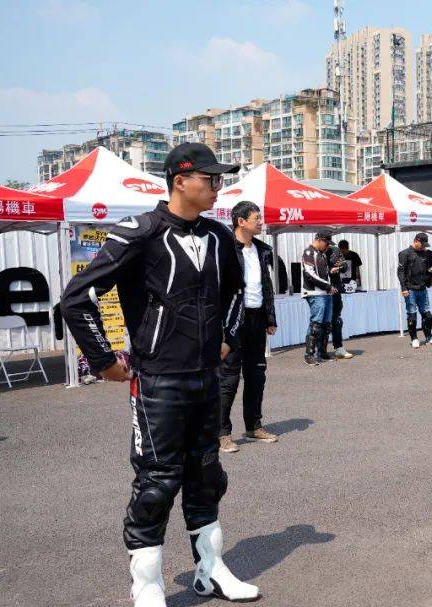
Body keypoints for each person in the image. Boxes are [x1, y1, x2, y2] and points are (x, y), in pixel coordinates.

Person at [60, 142, 259, 605]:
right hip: (157, 382)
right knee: (156, 483)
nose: (218, 187)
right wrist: (103, 360)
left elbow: (237, 292)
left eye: (220, 179)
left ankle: (211, 570)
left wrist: (227, 337)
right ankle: (147, 586)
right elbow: (77, 297)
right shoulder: (140, 232)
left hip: (206, 377)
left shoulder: (218, 236)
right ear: (180, 181)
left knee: (207, 475)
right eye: (210, 179)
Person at [218, 201, 279, 453]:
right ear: (241, 221)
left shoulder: (262, 250)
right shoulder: (224, 248)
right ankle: (222, 433)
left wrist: (270, 318)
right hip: (233, 322)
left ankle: (254, 426)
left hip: (256, 319)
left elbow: (267, 286)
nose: (261, 222)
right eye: (256, 218)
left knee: (256, 375)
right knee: (229, 378)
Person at [397, 232, 432, 348]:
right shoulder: (405, 253)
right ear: (416, 241)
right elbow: (400, 272)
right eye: (422, 245)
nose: (424, 247)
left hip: (423, 288)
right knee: (412, 315)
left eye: (425, 245)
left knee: (427, 315)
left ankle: (429, 337)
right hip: (410, 289)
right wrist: (403, 288)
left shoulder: (427, 254)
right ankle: (414, 339)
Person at [302, 232, 338, 365]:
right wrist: (328, 286)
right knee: (316, 324)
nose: (327, 246)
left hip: (325, 293)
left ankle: (322, 353)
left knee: (326, 325)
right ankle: (309, 355)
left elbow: (321, 274)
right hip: (314, 293)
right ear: (319, 240)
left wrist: (330, 273)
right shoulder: (309, 252)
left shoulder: (321, 254)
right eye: (326, 243)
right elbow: (310, 274)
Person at [325, 242, 354, 359]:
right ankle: (320, 350)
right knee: (321, 322)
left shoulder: (335, 251)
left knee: (337, 320)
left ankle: (338, 347)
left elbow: (345, 266)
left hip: (335, 290)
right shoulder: (314, 252)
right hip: (321, 291)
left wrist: (338, 267)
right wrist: (329, 270)